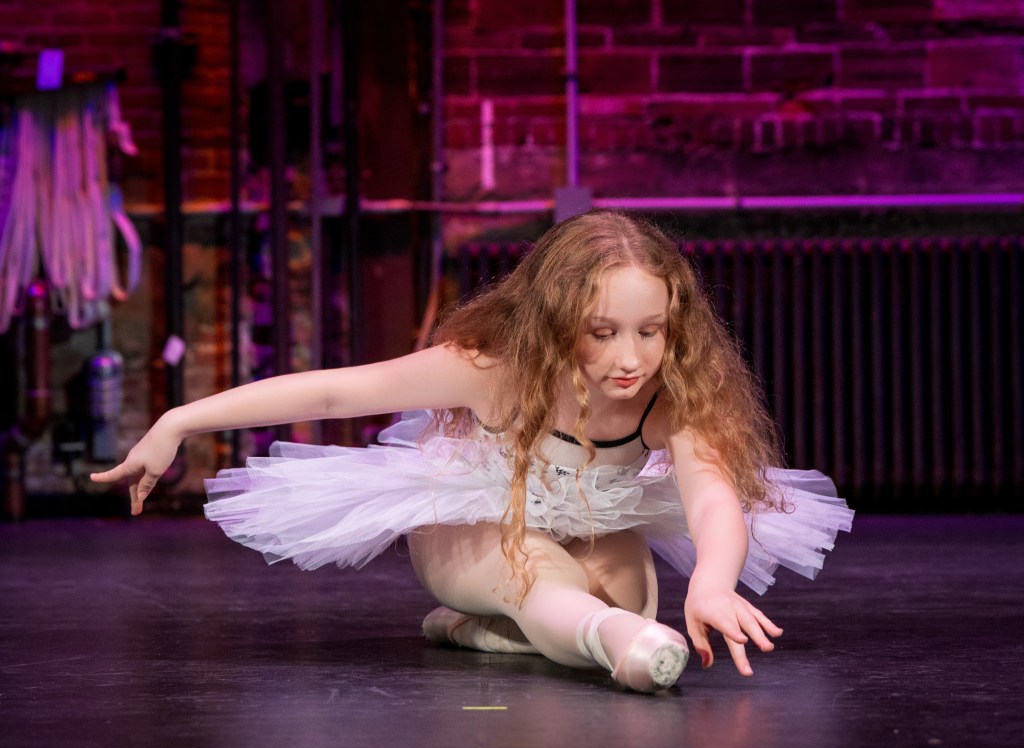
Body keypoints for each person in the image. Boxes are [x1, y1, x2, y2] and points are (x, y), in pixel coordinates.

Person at [91, 211, 853, 694]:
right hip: (479, 519)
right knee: (559, 590)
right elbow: (333, 393)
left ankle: (480, 630)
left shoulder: (669, 391)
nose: (631, 357)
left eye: (650, 332)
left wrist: (713, 580)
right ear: (557, 320)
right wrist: (179, 420)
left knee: (627, 595)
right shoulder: (496, 370)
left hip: (592, 517)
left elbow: (712, 493)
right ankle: (602, 639)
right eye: (603, 332)